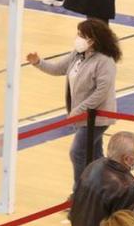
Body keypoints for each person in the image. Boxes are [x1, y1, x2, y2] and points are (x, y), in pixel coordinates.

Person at [27, 19, 120, 190]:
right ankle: (104, 188)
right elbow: (57, 69)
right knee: (95, 155)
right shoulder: (77, 55)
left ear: (93, 40)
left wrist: (79, 110)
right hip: (82, 116)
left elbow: (101, 92)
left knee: (77, 152)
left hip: (97, 118)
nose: (78, 38)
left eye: (81, 35)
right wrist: (38, 63)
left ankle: (80, 193)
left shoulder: (105, 62)